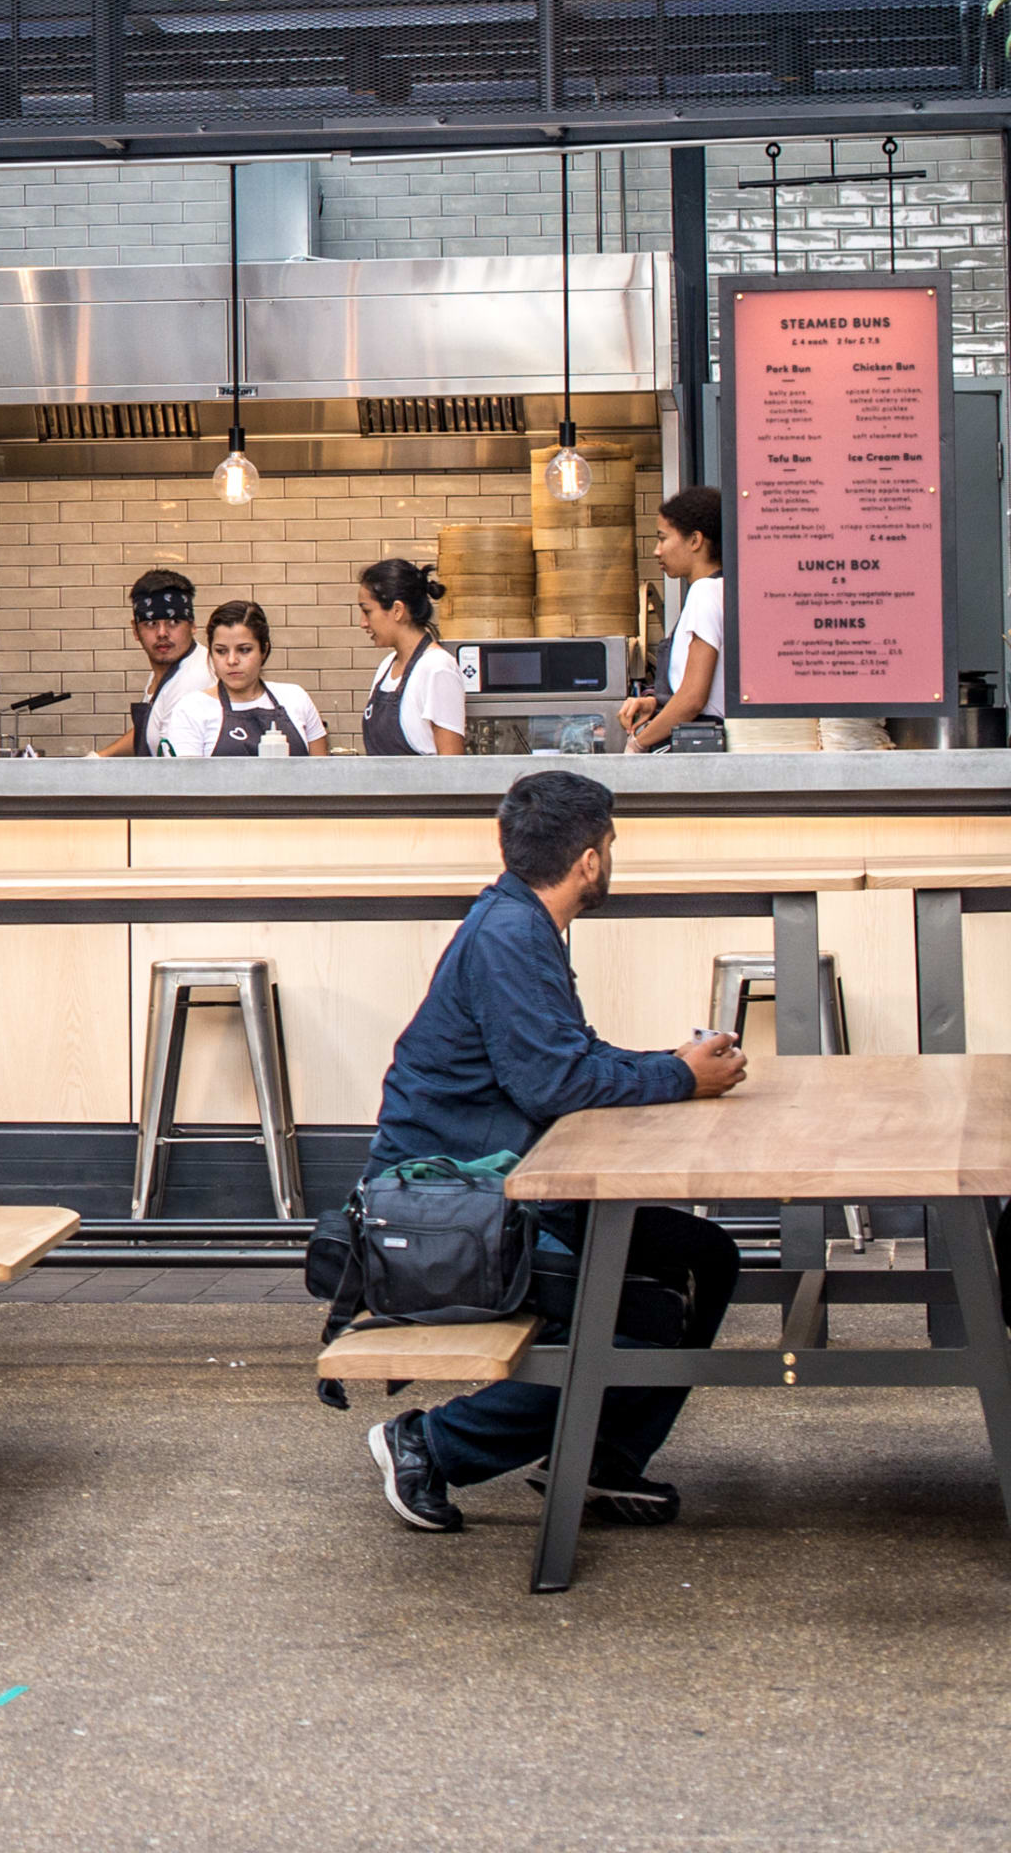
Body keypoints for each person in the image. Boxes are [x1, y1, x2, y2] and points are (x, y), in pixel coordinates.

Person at [362, 768, 746, 1534]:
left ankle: (599, 1462)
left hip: (502, 1188)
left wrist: (673, 1067)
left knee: (705, 1255)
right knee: (644, 1312)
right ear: (591, 861)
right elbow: (556, 1086)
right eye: (610, 843)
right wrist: (676, 1074)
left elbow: (568, 1060)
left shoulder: (519, 921)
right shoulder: (511, 937)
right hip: (451, 1214)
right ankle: (430, 1444)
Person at [617, 486, 727, 752]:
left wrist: (637, 744)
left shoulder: (705, 592)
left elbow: (692, 699)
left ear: (695, 540)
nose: (657, 551)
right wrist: (655, 702)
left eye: (663, 539)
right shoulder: (724, 590)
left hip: (699, 745)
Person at [150, 599, 329, 756]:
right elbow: (187, 786)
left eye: (244, 650)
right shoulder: (192, 709)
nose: (232, 661)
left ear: (264, 650)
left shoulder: (295, 698)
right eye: (221, 651)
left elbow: (322, 779)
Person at [354, 556, 468, 756]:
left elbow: (453, 769)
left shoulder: (437, 668)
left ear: (397, 610)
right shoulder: (387, 666)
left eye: (367, 611)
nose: (363, 623)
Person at [97, 569, 211, 756]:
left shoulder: (194, 679)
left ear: (192, 625)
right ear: (135, 630)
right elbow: (152, 728)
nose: (162, 633)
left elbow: (173, 768)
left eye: (174, 621)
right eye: (151, 624)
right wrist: (99, 757)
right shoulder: (166, 669)